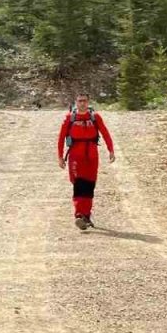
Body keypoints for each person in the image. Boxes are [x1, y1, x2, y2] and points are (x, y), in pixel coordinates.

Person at [57, 93, 115, 230]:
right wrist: (60, 156)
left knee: (89, 186)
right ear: (76, 102)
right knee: (78, 185)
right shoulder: (69, 118)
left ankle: (86, 215)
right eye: (80, 101)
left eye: (84, 101)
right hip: (76, 157)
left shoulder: (95, 117)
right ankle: (79, 214)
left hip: (92, 157)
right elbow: (61, 138)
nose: (82, 103)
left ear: (88, 102)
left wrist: (111, 150)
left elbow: (105, 133)